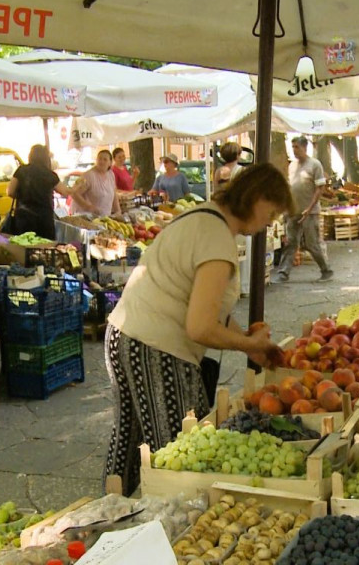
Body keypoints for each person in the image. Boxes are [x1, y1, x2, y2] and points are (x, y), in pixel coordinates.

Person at [104, 163, 293, 495]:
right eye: (273, 212)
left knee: (128, 440)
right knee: (181, 450)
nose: (270, 223)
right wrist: (244, 345)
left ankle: (107, 518)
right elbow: (200, 327)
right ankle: (170, 528)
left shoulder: (203, 217)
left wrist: (251, 343)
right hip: (157, 347)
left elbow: (210, 310)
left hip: (125, 333)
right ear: (257, 198)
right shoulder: (217, 240)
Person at [273, 136, 334, 283]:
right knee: (290, 243)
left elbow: (320, 188)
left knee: (312, 243)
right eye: (292, 147)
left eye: (297, 147)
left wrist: (310, 207)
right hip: (293, 210)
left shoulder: (314, 165)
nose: (294, 150)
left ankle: (325, 269)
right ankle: (284, 272)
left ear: (304, 148)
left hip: (310, 211)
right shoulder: (292, 166)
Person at [8, 144, 69, 240]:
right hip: (44, 218)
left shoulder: (21, 170)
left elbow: (10, 192)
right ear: (46, 158)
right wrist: (78, 187)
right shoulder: (50, 175)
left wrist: (22, 196)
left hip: (24, 217)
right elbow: (65, 192)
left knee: (24, 246)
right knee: (44, 248)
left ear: (30, 156)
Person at [70, 149, 121, 217]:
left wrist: (118, 211)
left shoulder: (111, 174)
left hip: (104, 217)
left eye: (105, 159)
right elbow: (74, 193)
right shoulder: (89, 176)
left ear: (110, 163)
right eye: (99, 159)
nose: (101, 161)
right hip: (87, 217)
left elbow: (114, 193)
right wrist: (88, 207)